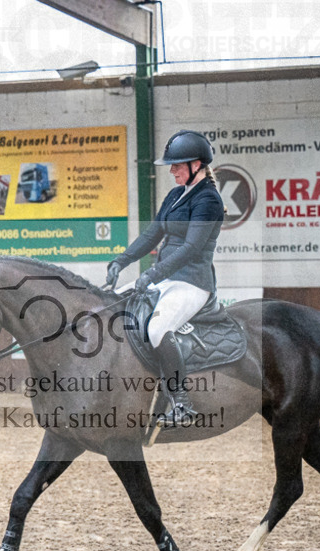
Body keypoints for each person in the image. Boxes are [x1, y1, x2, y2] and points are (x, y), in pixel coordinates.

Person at [104, 129, 225, 425]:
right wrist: (122, 260)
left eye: (177, 166)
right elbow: (152, 233)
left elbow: (191, 248)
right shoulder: (175, 195)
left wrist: (152, 274)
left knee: (157, 329)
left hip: (192, 282)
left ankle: (182, 404)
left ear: (196, 165)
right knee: (109, 305)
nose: (172, 171)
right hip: (166, 279)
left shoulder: (208, 199)